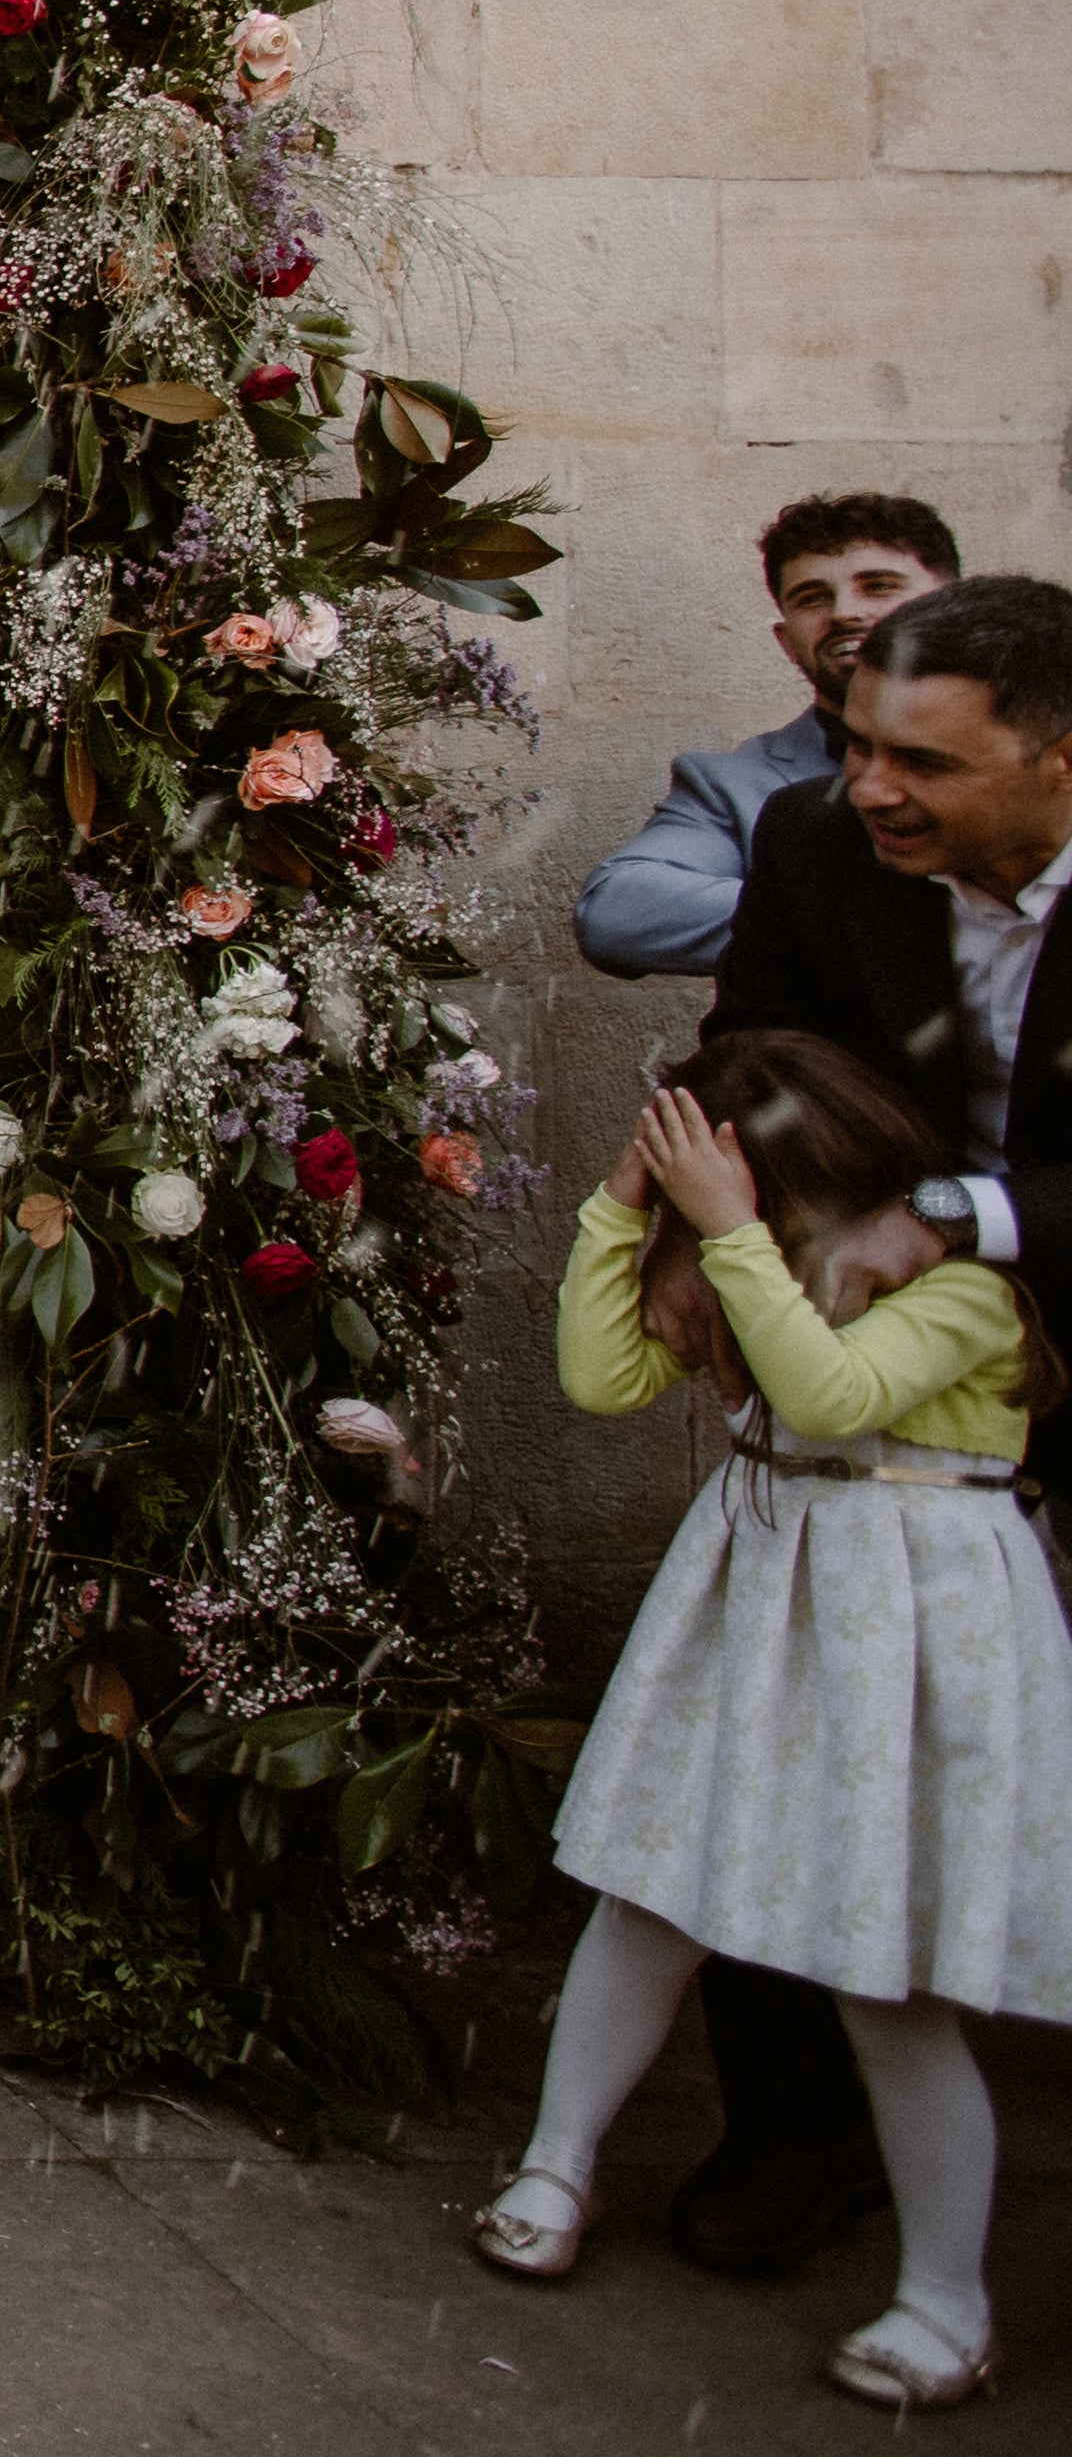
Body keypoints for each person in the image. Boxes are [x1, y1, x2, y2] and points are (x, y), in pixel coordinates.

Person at [473, 1040, 1065, 2412]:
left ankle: (945, 2302)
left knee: (886, 1981)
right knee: (649, 1899)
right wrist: (619, 1215)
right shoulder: (751, 1268)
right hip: (761, 1610)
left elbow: (830, 1398)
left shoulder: (959, 1285)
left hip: (907, 1640)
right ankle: (558, 2163)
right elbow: (599, 1378)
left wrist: (735, 1238)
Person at [659, 573, 1072, 2278]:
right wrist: (706, 1221)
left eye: (923, 760)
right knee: (789, 1725)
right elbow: (750, 1041)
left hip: (1013, 1288)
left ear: (1057, 755)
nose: (872, 789)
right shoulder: (822, 841)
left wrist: (967, 1218)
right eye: (854, 746)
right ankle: (799, 2131)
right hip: (879, 1358)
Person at [573, 492, 956, 977]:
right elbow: (616, 914)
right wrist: (882, 919)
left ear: (955, 605)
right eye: (811, 597)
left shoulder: (1049, 744)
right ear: (786, 639)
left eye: (878, 586)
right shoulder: (738, 782)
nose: (843, 612)